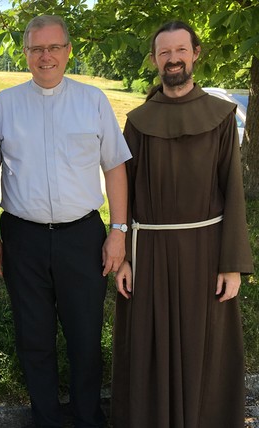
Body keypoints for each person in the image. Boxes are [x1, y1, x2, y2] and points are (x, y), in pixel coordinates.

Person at [0, 15, 131, 428]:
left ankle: (88, 418)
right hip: (21, 238)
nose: (45, 56)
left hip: (82, 236)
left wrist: (118, 232)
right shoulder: (4, 105)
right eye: (36, 48)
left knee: (85, 337)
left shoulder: (93, 101)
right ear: (25, 54)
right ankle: (45, 418)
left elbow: (116, 168)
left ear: (68, 51)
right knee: (34, 338)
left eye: (53, 47)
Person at [111, 21, 254, 428]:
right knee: (148, 345)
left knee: (204, 344)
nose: (172, 59)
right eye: (164, 52)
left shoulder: (221, 116)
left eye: (180, 50)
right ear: (155, 60)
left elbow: (233, 192)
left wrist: (232, 264)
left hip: (206, 253)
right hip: (149, 252)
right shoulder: (138, 120)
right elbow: (127, 194)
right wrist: (123, 258)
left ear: (195, 54)